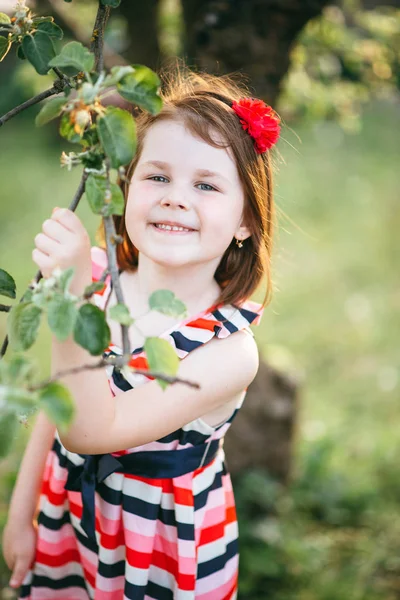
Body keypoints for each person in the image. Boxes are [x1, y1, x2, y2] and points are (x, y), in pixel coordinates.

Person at [2, 64, 281, 599]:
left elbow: (90, 432)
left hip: (159, 545)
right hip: (69, 517)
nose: (176, 197)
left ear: (247, 218)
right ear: (127, 189)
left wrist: (72, 302)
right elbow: (61, 407)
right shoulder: (106, 277)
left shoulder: (228, 351)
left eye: (205, 184)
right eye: (158, 176)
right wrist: (22, 514)